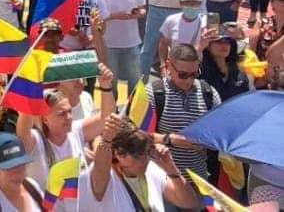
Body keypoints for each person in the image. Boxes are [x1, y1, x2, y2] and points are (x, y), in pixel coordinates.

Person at [16, 65, 116, 189]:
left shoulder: (76, 130)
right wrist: (32, 93)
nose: (68, 117)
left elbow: (106, 118)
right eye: (61, 114)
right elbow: (23, 129)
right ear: (45, 119)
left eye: (70, 111)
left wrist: (106, 86)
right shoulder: (35, 141)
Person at [87, 114, 199, 212]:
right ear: (120, 154)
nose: (146, 159)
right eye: (139, 155)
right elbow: (100, 149)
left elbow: (189, 203)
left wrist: (171, 169)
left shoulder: (151, 170)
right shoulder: (106, 177)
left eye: (147, 152)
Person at [146, 43, 222, 180]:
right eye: (183, 74)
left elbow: (221, 133)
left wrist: (209, 140)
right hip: (162, 180)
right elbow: (134, 135)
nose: (189, 80)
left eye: (194, 74)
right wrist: (170, 139)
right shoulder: (153, 93)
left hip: (199, 178)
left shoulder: (208, 93)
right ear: (168, 65)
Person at [95, 0, 147, 89]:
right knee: (110, 82)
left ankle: (133, 109)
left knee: (135, 81)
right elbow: (96, 16)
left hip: (132, 42)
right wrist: (117, 16)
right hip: (109, 44)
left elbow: (143, 8)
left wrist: (138, 13)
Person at [158, 0, 209, 68]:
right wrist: (163, 64)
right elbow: (163, 43)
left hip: (198, 66)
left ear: (200, 4)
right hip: (175, 66)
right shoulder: (171, 20)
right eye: (188, 3)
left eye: (195, 3)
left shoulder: (205, 22)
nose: (191, 6)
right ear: (180, 3)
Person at [199, 25, 250, 101]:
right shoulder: (201, 72)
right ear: (208, 46)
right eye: (218, 41)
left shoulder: (239, 73)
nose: (224, 45)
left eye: (227, 42)